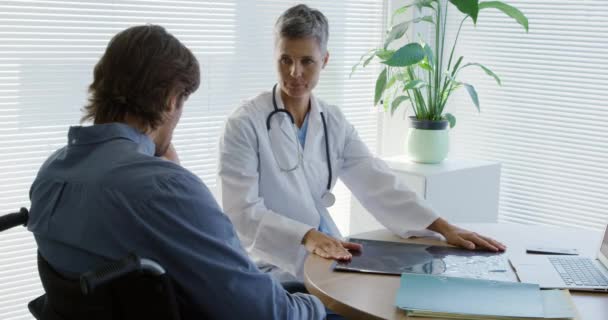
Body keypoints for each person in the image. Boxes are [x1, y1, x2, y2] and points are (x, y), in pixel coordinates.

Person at [27, 25, 325, 319]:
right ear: (172, 99)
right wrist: (323, 306)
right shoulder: (164, 188)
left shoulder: (50, 175)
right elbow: (265, 313)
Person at [218, 4, 506, 283]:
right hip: (270, 261)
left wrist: (444, 227)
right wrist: (306, 236)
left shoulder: (332, 120)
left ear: (325, 60)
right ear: (275, 56)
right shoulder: (245, 124)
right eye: (286, 59)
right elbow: (241, 212)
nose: (295, 72)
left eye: (307, 61)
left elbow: (376, 180)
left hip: (328, 251)